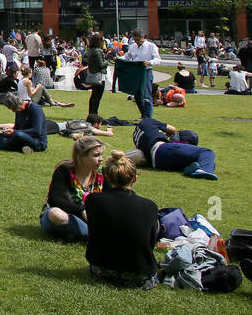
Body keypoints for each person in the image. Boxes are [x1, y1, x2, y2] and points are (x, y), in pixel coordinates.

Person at [84, 152, 160, 289]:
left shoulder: (92, 200)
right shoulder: (150, 206)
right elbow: (151, 241)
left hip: (102, 269)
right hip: (141, 275)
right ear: (134, 179)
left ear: (107, 177)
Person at [40, 135, 104, 242]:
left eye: (101, 155)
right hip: (62, 216)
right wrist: (82, 210)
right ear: (82, 157)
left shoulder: (102, 174)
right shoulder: (64, 170)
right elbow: (55, 199)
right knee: (57, 215)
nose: (101, 159)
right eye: (96, 155)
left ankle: (73, 234)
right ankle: (94, 236)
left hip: (89, 220)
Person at [125, 117, 218, 180]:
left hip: (157, 162)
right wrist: (167, 133)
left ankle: (192, 170)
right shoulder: (148, 121)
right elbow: (172, 129)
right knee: (207, 152)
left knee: (206, 162)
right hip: (161, 149)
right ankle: (203, 170)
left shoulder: (137, 136)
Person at [122, 29, 160, 119]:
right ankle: (143, 114)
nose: (137, 42)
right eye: (135, 40)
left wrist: (149, 62)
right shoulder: (133, 46)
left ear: (144, 37)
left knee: (146, 94)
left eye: (138, 40)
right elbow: (127, 57)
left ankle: (148, 117)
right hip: (136, 72)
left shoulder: (151, 46)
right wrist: (119, 58)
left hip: (146, 71)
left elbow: (158, 60)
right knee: (137, 95)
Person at [82, 32, 109, 118]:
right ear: (99, 42)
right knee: (97, 96)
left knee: (94, 96)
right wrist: (107, 62)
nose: (103, 43)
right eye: (102, 41)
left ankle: (92, 114)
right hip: (98, 76)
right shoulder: (97, 51)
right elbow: (101, 65)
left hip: (93, 74)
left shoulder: (90, 50)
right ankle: (94, 114)